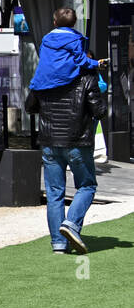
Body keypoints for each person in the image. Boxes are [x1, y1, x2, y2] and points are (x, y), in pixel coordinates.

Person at [26, 66, 106, 254]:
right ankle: (71, 224)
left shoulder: (45, 74)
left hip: (49, 141)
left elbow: (30, 106)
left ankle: (59, 244)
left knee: (54, 193)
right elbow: (99, 111)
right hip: (77, 142)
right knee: (87, 186)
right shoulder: (87, 77)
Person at [29, 6, 107, 91]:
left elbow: (42, 55)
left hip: (41, 82)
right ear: (74, 23)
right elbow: (81, 60)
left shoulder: (46, 39)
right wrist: (97, 64)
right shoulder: (76, 39)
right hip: (64, 81)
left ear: (55, 23)